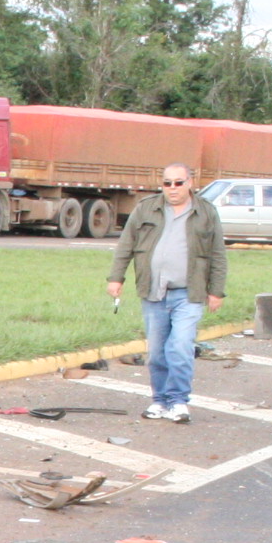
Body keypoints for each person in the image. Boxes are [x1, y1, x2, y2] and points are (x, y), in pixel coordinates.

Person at [104, 164, 227, 423]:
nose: (172, 188)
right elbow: (126, 244)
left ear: (190, 182)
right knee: (158, 352)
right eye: (167, 183)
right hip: (154, 291)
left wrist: (216, 291)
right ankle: (160, 401)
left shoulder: (205, 211)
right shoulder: (146, 208)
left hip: (189, 293)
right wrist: (116, 277)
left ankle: (179, 401)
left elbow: (217, 253)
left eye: (178, 182)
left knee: (180, 347)